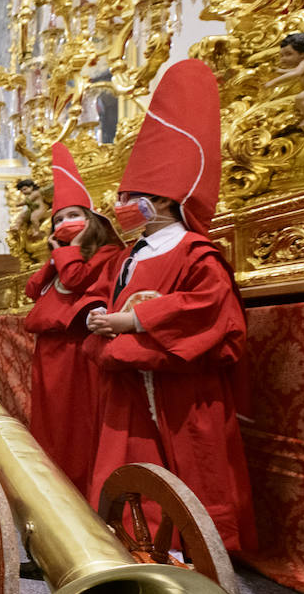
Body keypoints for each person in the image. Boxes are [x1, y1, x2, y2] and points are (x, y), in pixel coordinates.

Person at [83, 58, 256, 553]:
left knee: (192, 467)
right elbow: (113, 296)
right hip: (130, 383)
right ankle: (132, 541)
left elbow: (206, 308)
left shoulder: (195, 252)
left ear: (161, 201)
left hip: (181, 387)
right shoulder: (134, 252)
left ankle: (197, 550)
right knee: (130, 466)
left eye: (131, 196)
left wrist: (132, 319)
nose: (122, 204)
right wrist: (103, 319)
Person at [22, 142, 121, 496]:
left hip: (78, 350)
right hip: (49, 350)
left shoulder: (108, 252)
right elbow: (34, 289)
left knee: (75, 423)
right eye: (59, 220)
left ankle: (81, 489)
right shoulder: (61, 254)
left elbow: (79, 280)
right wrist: (54, 255)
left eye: (73, 216)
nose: (65, 224)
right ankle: (51, 491)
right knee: (49, 423)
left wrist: (67, 250)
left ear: (91, 219)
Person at [266, 31, 304, 133]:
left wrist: (273, 82)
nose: (283, 59)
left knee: (301, 98)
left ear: (303, 54)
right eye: (281, 55)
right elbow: (294, 71)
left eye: (288, 54)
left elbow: (296, 73)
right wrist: (280, 71)